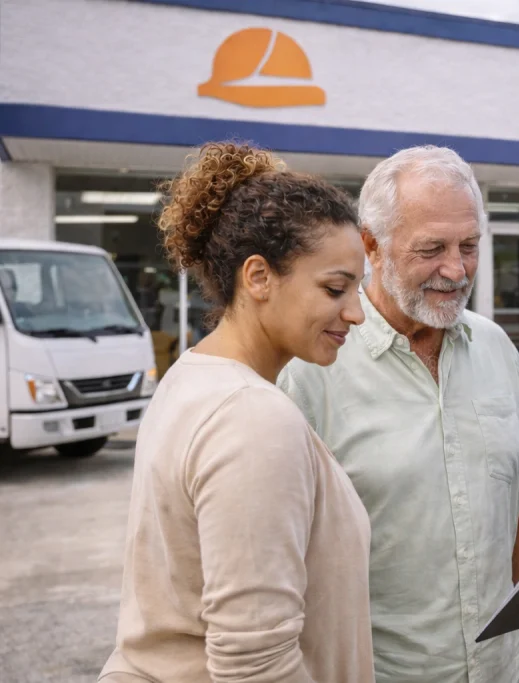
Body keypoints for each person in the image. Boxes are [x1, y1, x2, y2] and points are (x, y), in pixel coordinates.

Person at [277, 145, 519, 683]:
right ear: (371, 246)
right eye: (431, 249)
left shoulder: (498, 350)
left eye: (469, 246)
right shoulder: (309, 371)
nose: (456, 269)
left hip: (503, 669)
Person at [99, 141, 374, 683]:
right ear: (258, 277)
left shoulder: (192, 377)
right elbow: (256, 665)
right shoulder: (252, 418)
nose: (357, 313)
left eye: (357, 290)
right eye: (335, 289)